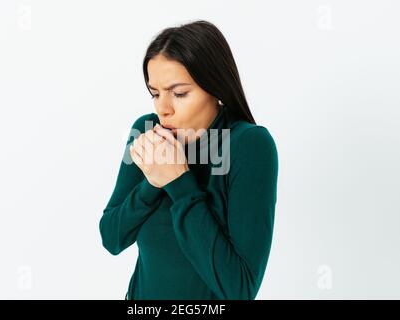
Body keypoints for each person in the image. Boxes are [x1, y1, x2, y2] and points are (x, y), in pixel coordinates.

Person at [99, 20, 278, 300]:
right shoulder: (145, 131)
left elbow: (240, 289)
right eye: (155, 94)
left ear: (216, 88)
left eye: (179, 93)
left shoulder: (250, 145)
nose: (163, 109)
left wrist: (179, 182)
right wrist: (152, 181)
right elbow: (112, 238)